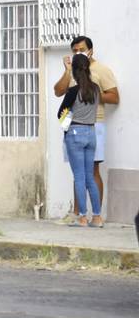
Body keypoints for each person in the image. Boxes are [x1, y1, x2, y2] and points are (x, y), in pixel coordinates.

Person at [53, 36, 119, 216]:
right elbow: (58, 91)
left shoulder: (101, 70)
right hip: (74, 125)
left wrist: (87, 93)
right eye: (74, 50)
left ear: (91, 50)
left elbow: (114, 97)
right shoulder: (73, 72)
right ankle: (78, 213)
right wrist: (68, 72)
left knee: (92, 170)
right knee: (78, 171)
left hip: (94, 124)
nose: (77, 53)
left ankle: (95, 215)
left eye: (80, 49)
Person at [58, 55, 102, 227]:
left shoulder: (73, 91)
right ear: (88, 68)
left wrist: (67, 125)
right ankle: (97, 217)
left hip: (75, 132)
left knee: (79, 177)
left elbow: (61, 113)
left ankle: (83, 217)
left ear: (75, 71)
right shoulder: (96, 89)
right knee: (90, 176)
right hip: (91, 132)